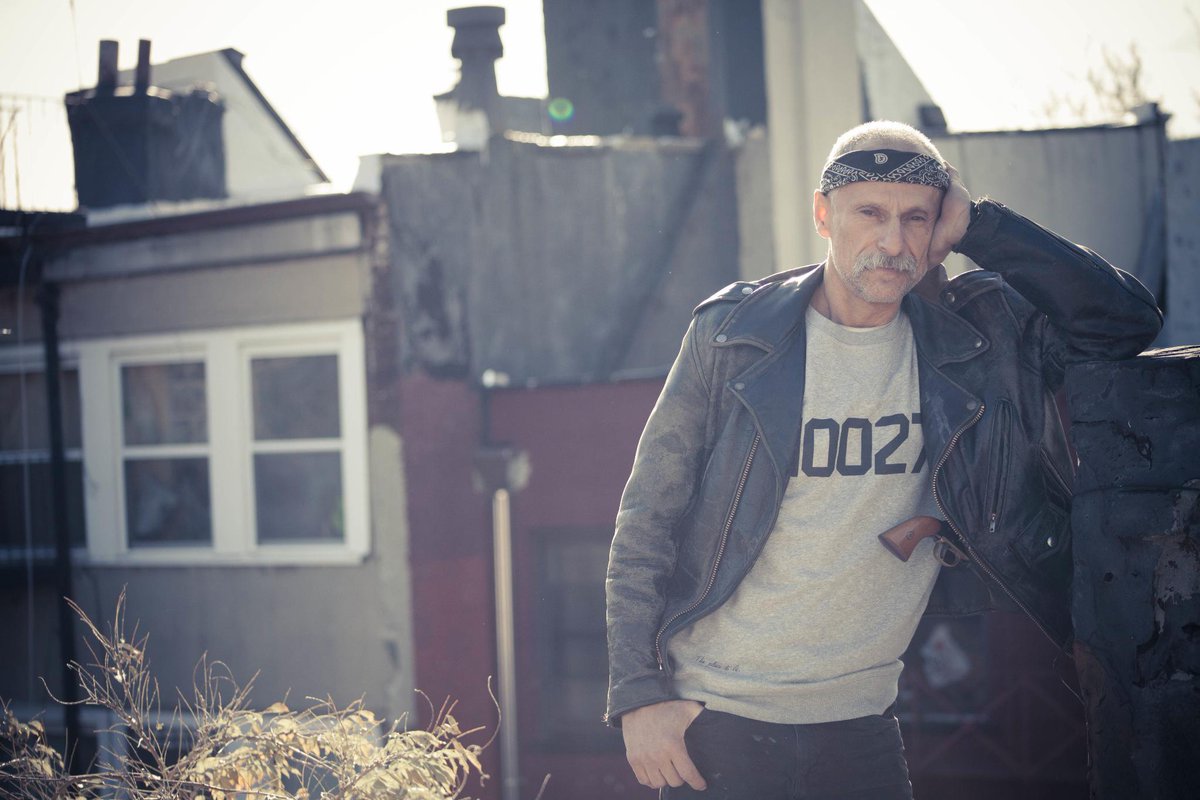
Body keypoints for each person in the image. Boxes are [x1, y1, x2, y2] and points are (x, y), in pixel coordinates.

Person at [604, 120, 1162, 799]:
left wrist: (983, 225)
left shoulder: (980, 338)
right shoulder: (732, 336)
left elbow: (1125, 322)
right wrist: (638, 695)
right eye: (869, 213)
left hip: (862, 726)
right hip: (718, 724)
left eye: (916, 218)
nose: (893, 242)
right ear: (823, 214)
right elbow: (648, 518)